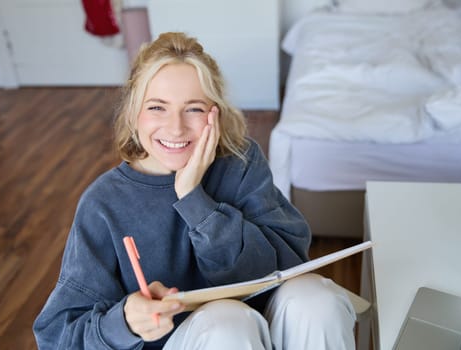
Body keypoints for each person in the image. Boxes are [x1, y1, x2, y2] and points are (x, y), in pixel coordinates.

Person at [33, 32, 356, 349]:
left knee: (318, 300)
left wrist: (195, 202)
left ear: (215, 113)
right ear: (133, 114)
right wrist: (125, 323)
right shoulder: (103, 204)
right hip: (204, 339)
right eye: (157, 107)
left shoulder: (240, 163)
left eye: (194, 109)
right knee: (227, 320)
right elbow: (57, 336)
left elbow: (286, 264)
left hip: (262, 331)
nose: (176, 127)